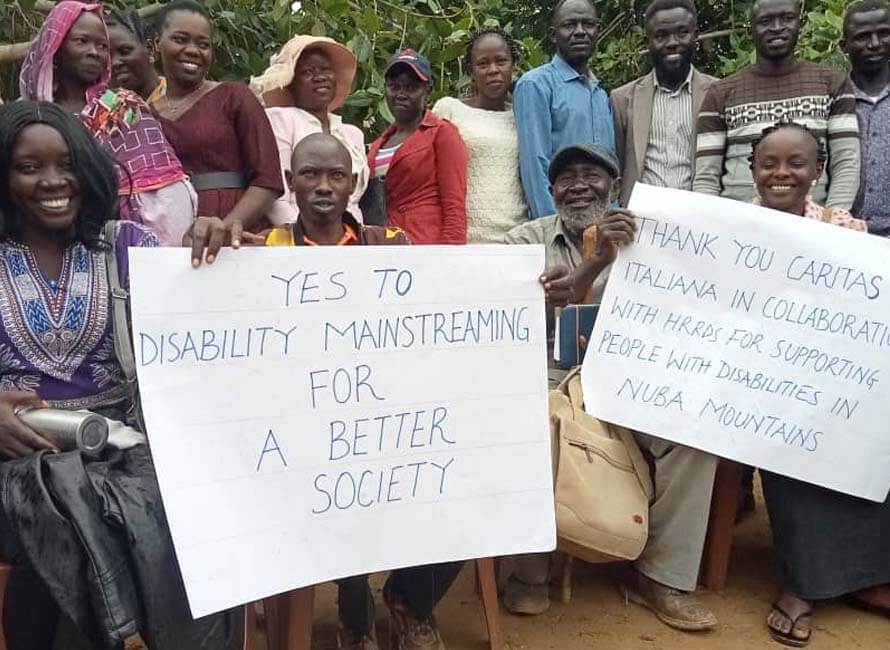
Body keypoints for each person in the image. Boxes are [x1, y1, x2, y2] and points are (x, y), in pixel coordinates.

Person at [0, 100, 242, 650]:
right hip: (18, 459)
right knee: (60, 520)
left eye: (66, 164)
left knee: (193, 513)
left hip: (123, 446)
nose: (52, 181)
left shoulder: (126, 245)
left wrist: (217, 255)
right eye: (28, 167)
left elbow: (195, 327)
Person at [501, 144, 719, 631]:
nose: (578, 186)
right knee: (530, 423)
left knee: (692, 436)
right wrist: (593, 264)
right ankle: (529, 572)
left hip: (631, 377)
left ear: (615, 186)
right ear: (551, 190)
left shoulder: (654, 238)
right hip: (551, 374)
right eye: (566, 178)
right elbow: (513, 319)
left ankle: (661, 577)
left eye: (591, 175)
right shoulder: (525, 240)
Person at [744, 121, 890, 647]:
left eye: (796, 163)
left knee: (873, 423)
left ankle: (870, 572)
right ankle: (803, 582)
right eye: (769, 164)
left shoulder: (844, 230)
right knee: (789, 430)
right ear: (752, 171)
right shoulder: (730, 232)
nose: (781, 173)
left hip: (835, 374)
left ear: (818, 171)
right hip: (760, 381)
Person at [18, 0, 196, 246]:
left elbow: (165, 198)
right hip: (33, 241)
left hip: (110, 244)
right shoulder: (25, 113)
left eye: (102, 46)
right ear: (55, 46)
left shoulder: (123, 107)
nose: (95, 52)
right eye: (82, 41)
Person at [694, 0, 861, 209]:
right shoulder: (721, 93)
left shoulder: (832, 83)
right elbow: (706, 177)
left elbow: (846, 162)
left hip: (814, 223)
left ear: (800, 24)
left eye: (787, 18)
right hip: (739, 224)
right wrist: (716, 222)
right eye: (765, 21)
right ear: (750, 31)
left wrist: (831, 220)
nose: (777, 27)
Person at [154, 0, 283, 240]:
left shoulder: (234, 96)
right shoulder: (145, 114)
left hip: (236, 237)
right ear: (155, 44)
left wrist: (222, 229)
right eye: (180, 39)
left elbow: (268, 181)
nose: (193, 50)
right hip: (171, 239)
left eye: (203, 44)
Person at [250, 35, 369, 225]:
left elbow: (354, 203)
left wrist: (356, 236)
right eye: (308, 71)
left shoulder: (352, 134)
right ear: (291, 83)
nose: (320, 77)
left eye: (326, 69)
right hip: (295, 233)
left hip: (352, 234)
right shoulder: (279, 120)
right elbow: (276, 198)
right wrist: (304, 237)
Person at [513, 0, 615, 219]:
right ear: (553, 34)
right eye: (569, 25)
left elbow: (610, 167)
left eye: (588, 24)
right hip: (561, 225)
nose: (580, 31)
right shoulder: (535, 85)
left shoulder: (601, 94)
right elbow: (534, 165)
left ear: (598, 30)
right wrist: (553, 228)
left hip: (602, 224)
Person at [611, 0, 717, 206]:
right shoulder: (623, 99)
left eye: (682, 33)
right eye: (661, 35)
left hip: (699, 216)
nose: (672, 42)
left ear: (695, 35)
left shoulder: (718, 92)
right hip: (640, 218)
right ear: (648, 41)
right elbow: (617, 167)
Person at [432, 28, 529, 242]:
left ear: (514, 65)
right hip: (462, 240)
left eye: (501, 61)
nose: (493, 70)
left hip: (516, 240)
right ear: (471, 70)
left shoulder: (523, 117)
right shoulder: (450, 109)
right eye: (483, 64)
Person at [367, 49, 468, 244]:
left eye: (411, 87)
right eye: (394, 86)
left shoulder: (442, 133)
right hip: (383, 245)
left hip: (424, 244)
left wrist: (450, 254)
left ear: (426, 91)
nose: (401, 94)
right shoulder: (379, 143)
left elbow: (454, 205)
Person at [844, 0, 890, 236]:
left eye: (884, 34)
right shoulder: (833, 99)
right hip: (845, 238)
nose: (875, 44)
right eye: (862, 37)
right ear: (844, 45)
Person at [106, 7, 167, 104]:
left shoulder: (183, 100)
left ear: (150, 49)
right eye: (106, 57)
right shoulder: (99, 110)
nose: (114, 63)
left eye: (125, 51)